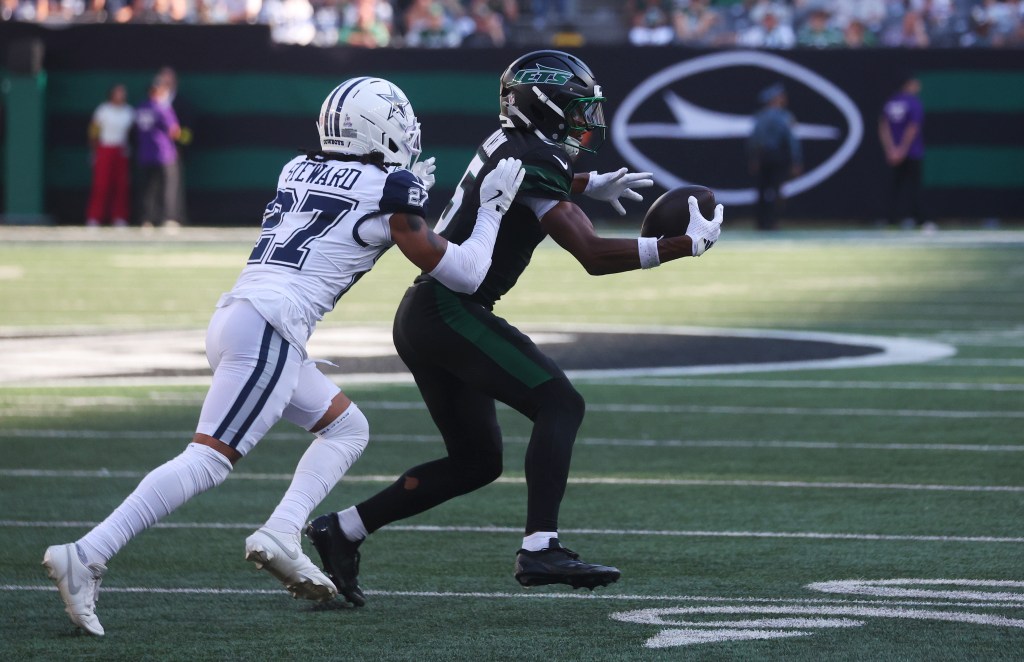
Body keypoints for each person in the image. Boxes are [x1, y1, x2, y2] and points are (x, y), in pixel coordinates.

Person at [41, 76, 526, 636]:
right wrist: (489, 211)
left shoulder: (296, 167)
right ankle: (88, 553)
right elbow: (464, 273)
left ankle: (282, 530)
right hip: (271, 326)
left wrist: (404, 191)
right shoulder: (387, 191)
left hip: (239, 318)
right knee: (207, 459)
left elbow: (351, 204)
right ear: (382, 128)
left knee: (346, 428)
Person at [306, 50, 724, 603]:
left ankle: (344, 530)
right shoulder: (536, 153)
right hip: (449, 310)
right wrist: (682, 246)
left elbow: (531, 175)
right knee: (561, 403)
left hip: (427, 314)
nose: (586, 119)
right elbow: (594, 255)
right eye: (577, 107)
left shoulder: (512, 142)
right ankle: (540, 547)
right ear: (543, 104)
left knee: (476, 461)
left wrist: (583, 183)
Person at [747, 83, 802, 231]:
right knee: (776, 191)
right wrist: (796, 161)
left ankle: (761, 223)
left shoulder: (760, 116)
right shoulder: (785, 117)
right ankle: (773, 222)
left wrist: (754, 158)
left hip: (764, 157)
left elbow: (754, 140)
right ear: (775, 99)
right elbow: (792, 141)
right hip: (777, 158)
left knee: (763, 191)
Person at [878, 74, 928, 229]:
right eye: (915, 84)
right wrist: (902, 150)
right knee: (914, 187)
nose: (918, 87)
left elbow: (883, 127)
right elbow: (912, 128)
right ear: (907, 84)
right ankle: (919, 219)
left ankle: (890, 219)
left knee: (895, 187)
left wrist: (891, 150)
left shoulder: (891, 101)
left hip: (894, 152)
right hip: (912, 151)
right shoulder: (913, 103)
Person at [85, 83, 134, 228]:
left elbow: (132, 132)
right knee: (101, 185)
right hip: (104, 150)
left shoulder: (129, 112)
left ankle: (119, 217)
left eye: (122, 93)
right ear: (111, 95)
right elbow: (93, 131)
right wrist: (95, 151)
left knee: (121, 186)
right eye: (118, 93)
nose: (121, 96)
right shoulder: (103, 110)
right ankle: (94, 217)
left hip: (121, 152)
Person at [135, 80, 182, 230]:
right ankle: (167, 219)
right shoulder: (162, 108)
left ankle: (146, 219)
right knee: (167, 188)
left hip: (145, 154)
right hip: (164, 154)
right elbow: (175, 131)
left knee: (148, 188)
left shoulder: (140, 107)